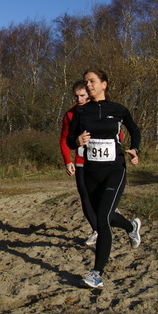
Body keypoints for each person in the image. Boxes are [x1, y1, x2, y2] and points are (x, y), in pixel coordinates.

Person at [66, 68, 142, 289]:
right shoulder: (81, 113)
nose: (88, 85)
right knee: (104, 216)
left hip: (114, 170)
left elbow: (134, 129)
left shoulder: (118, 110)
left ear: (104, 84)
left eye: (92, 81)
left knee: (102, 218)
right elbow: (70, 140)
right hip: (90, 172)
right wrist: (78, 140)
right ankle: (131, 227)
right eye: (86, 82)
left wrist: (135, 149)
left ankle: (96, 273)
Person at [60, 80, 129, 247]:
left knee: (102, 205)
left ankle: (123, 224)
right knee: (86, 199)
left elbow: (119, 136)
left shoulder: (104, 110)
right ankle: (98, 230)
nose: (79, 99)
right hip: (82, 162)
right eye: (76, 96)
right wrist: (68, 160)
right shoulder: (70, 115)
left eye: (83, 95)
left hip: (105, 163)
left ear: (90, 93)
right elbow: (64, 139)